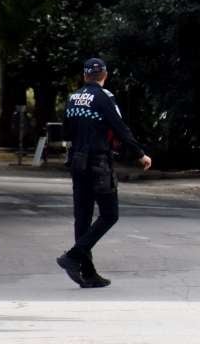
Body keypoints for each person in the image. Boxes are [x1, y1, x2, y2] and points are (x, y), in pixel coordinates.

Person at [55, 58, 152, 289]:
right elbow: (119, 126)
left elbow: (67, 130)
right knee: (110, 214)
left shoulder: (72, 98)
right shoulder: (104, 98)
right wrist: (139, 154)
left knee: (83, 216)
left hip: (77, 162)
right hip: (99, 162)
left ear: (85, 75)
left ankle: (87, 273)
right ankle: (74, 256)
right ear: (104, 75)